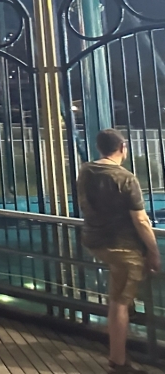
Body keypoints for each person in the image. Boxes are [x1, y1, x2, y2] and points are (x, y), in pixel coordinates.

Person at [77, 128, 161, 373]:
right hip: (121, 246)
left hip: (95, 240)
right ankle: (118, 360)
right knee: (120, 302)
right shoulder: (126, 178)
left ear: (99, 148)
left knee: (119, 293)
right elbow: (141, 221)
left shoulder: (86, 170)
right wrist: (153, 251)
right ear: (123, 147)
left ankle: (128, 321)